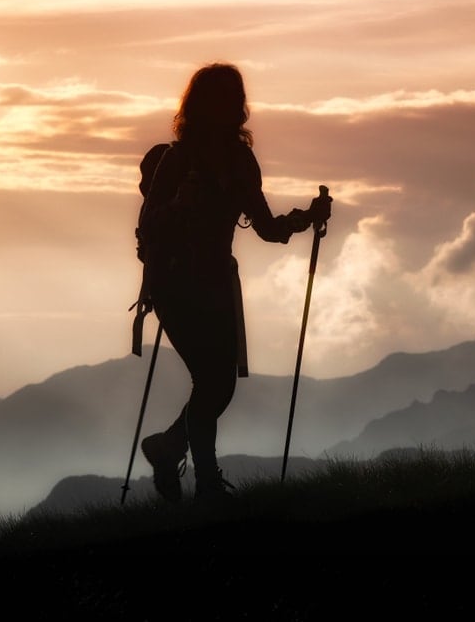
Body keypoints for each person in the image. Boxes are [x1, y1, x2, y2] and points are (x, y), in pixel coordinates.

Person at [137, 63, 331, 502]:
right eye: (225, 98)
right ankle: (204, 481)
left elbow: (267, 227)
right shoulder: (178, 161)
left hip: (209, 283)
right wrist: (177, 206)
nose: (234, 106)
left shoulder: (236, 162)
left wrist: (306, 218)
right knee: (214, 380)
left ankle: (171, 449)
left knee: (217, 383)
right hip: (178, 284)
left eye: (235, 98)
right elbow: (150, 227)